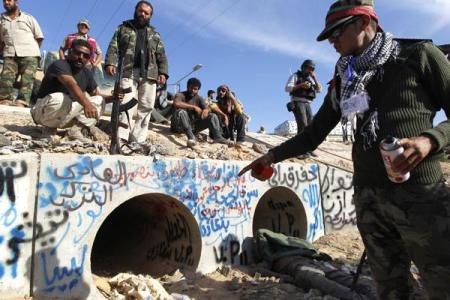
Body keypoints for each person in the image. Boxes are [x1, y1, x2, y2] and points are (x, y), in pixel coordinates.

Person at [239, 1, 450, 299]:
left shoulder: (418, 56)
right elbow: (314, 134)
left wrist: (430, 140)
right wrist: (272, 155)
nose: (331, 41)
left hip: (420, 197)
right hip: (370, 201)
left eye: (336, 32)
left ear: (364, 22)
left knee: (442, 281)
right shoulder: (345, 79)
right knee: (391, 288)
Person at [105, 0, 168, 146]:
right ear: (136, 10)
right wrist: (110, 62)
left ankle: (138, 140)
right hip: (128, 71)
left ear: (150, 16)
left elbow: (162, 55)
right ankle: (121, 138)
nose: (143, 14)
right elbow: (113, 46)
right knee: (126, 103)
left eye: (146, 13)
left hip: (149, 74)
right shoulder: (123, 28)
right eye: (141, 11)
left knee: (146, 107)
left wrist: (163, 72)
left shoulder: (155, 34)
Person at [31, 39, 115, 142]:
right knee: (62, 98)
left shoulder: (86, 73)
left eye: (85, 56)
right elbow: (71, 84)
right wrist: (86, 104)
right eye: (77, 53)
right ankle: (48, 129)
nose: (81, 57)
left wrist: (114, 97)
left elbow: (96, 95)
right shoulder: (60, 65)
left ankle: (75, 131)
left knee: (99, 99)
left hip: (65, 113)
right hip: (42, 112)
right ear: (70, 52)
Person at [0, 0, 44, 107]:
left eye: (9, 0)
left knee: (27, 80)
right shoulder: (1, 19)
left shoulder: (28, 18)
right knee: (6, 78)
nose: (6, 2)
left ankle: (22, 102)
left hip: (30, 53)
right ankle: (4, 100)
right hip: (10, 53)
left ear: (16, 2)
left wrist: (31, 52)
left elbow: (39, 37)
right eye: (4, 1)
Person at [170, 77, 230, 147]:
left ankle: (218, 137)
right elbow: (176, 103)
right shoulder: (180, 94)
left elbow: (207, 107)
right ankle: (191, 138)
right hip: (178, 126)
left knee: (212, 116)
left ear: (198, 89)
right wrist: (194, 107)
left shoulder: (199, 98)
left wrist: (206, 110)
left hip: (193, 127)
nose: (193, 90)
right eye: (191, 88)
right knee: (181, 112)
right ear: (187, 87)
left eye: (195, 89)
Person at [285, 59, 321, 135]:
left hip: (307, 103)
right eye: (308, 68)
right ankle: (299, 144)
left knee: (310, 124)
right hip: (298, 102)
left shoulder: (310, 79)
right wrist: (301, 85)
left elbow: (319, 90)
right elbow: (287, 88)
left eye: (311, 69)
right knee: (303, 124)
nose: (309, 70)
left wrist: (314, 78)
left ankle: (306, 142)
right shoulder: (295, 75)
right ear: (303, 67)